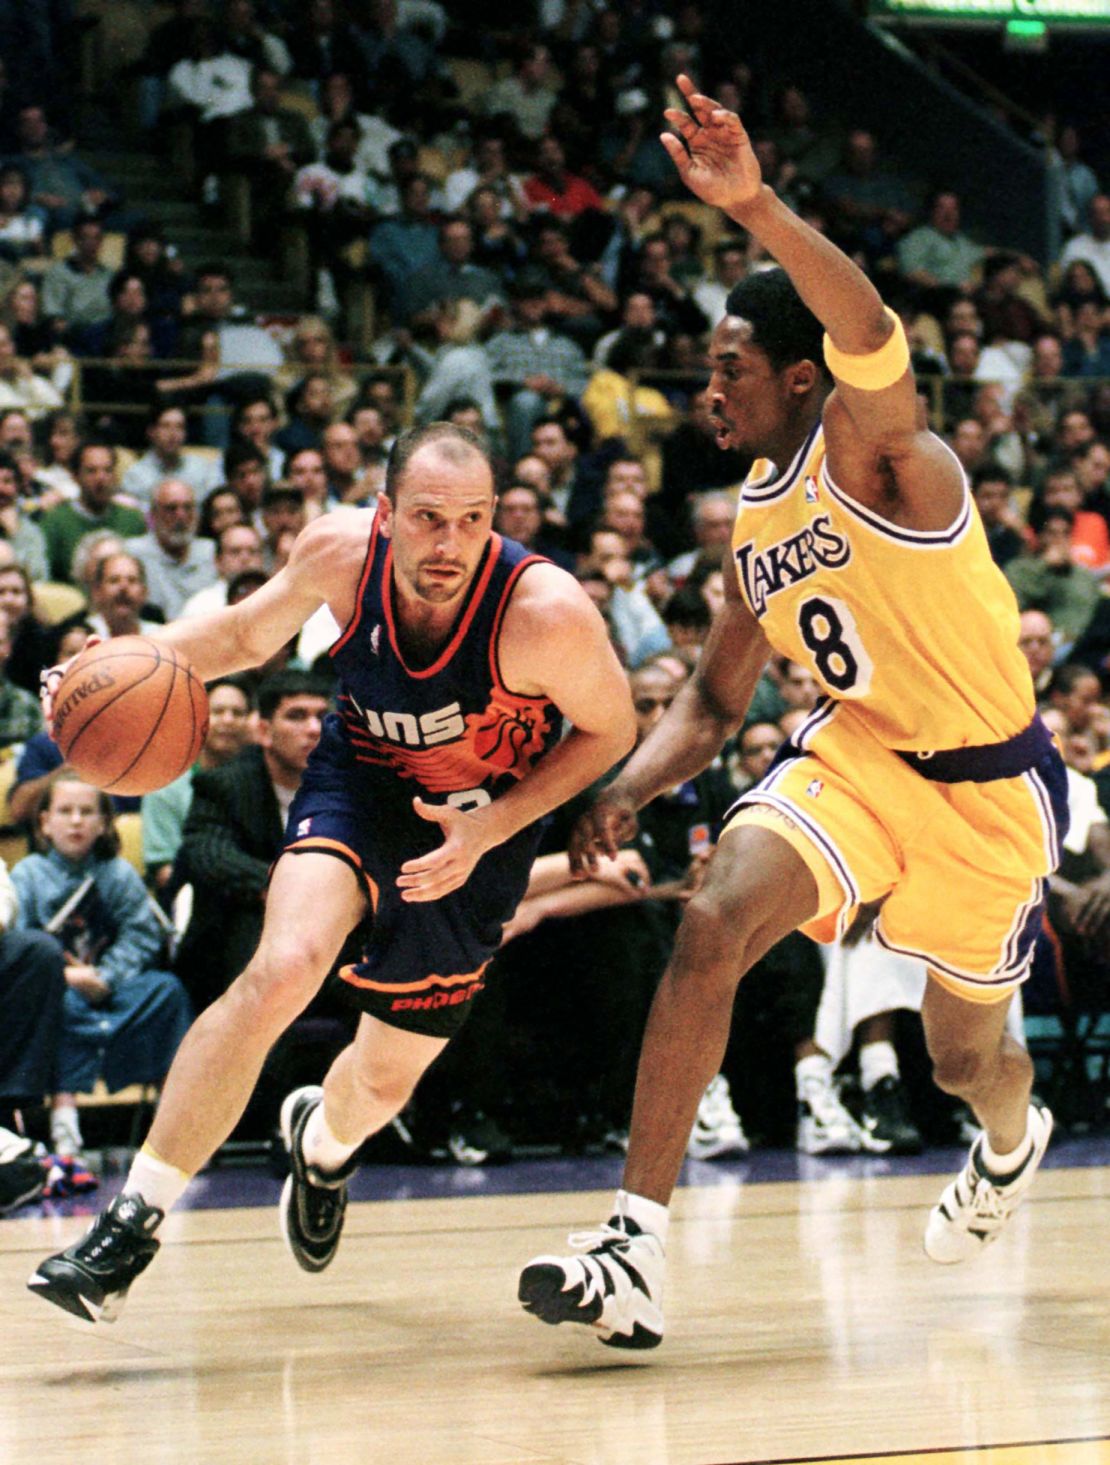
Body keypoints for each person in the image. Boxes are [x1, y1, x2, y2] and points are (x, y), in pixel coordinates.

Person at [519, 76, 1067, 1351]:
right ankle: (633, 1247)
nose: (709, 389)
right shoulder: (756, 524)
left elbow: (870, 318)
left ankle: (1008, 1139)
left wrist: (753, 203)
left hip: (988, 789)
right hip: (861, 763)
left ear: (803, 377)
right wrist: (628, 786)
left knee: (962, 1061)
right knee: (711, 918)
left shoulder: (886, 457)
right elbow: (716, 698)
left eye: (731, 367)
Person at [29, 420, 635, 1322]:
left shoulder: (544, 613)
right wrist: (101, 666)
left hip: (476, 826)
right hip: (359, 780)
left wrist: (497, 826)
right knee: (280, 968)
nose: (450, 543)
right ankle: (129, 1227)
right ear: (385, 513)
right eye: (428, 518)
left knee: (382, 1082)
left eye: (472, 520)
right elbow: (237, 636)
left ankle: (322, 1142)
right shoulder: (341, 555)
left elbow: (613, 731)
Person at [12, 773, 192, 1162]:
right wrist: (65, 977)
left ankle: (172, 1128)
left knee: (167, 991)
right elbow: (18, 944)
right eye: (65, 811)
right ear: (45, 822)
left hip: (112, 987)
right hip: (58, 992)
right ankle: (65, 1123)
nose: (76, 821)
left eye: (86, 812)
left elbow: (142, 936)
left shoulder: (119, 873)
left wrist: (107, 976)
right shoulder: (26, 875)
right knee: (53, 1009)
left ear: (103, 823)